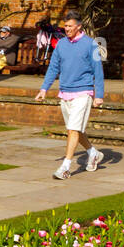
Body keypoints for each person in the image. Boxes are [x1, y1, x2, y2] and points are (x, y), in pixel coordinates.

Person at [35, 10, 105, 179]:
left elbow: (98, 70)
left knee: (73, 130)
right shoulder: (61, 44)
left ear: (79, 27)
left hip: (84, 92)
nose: (67, 29)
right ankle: (93, 152)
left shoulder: (91, 44)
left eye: (70, 26)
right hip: (65, 92)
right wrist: (44, 89)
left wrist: (99, 94)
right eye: (65, 26)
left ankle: (66, 167)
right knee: (76, 130)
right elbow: (53, 68)